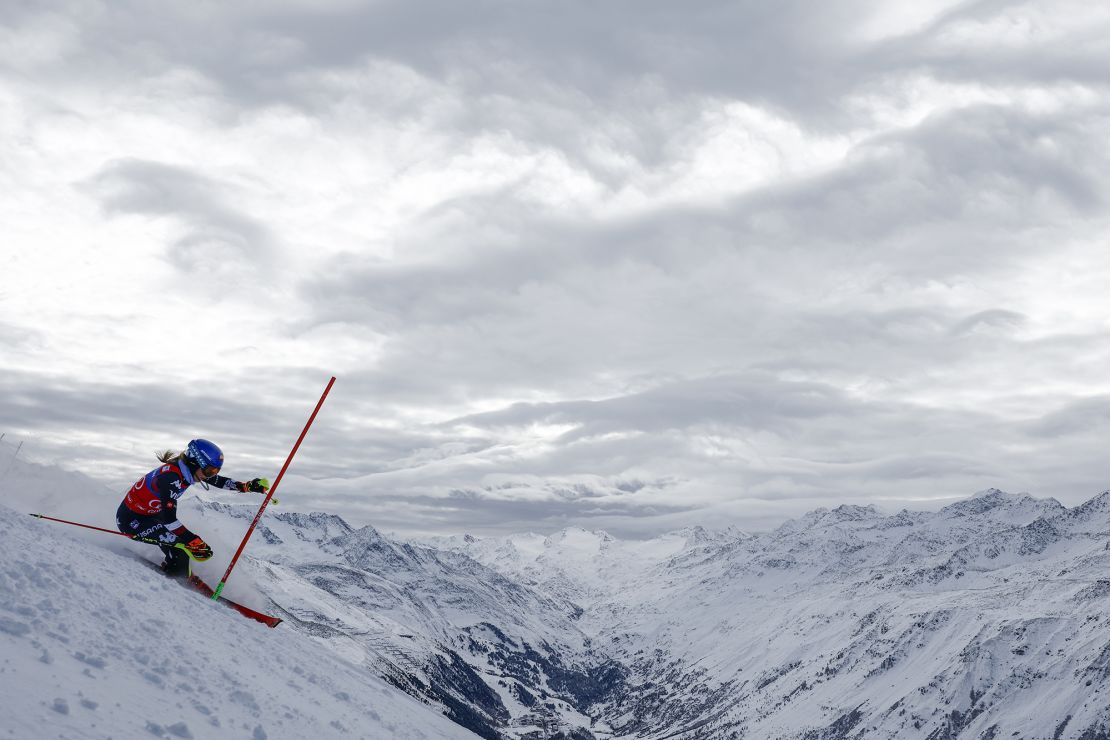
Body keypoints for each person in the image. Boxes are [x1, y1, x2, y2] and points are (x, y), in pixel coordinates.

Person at [116, 439, 269, 577]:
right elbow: (170, 520)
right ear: (195, 462)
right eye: (209, 471)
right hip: (132, 521)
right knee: (182, 548)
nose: (210, 476)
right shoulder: (171, 478)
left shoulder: (187, 471)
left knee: (181, 545)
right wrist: (193, 540)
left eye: (216, 471)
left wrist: (246, 487)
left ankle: (174, 569)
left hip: (152, 516)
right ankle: (175, 582)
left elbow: (219, 481)